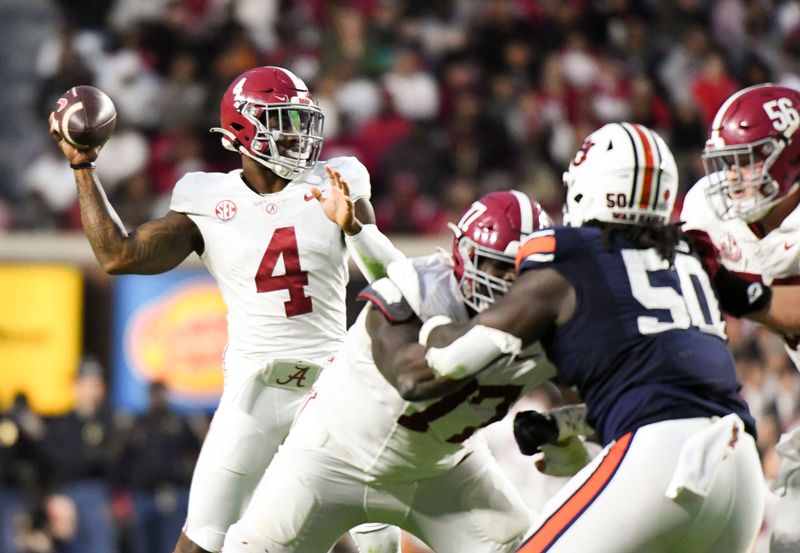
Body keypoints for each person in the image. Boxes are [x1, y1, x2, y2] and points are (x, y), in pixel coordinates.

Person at [49, 65, 405, 553]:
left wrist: (355, 227)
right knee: (202, 539)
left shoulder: (337, 178)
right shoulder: (207, 197)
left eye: (302, 121)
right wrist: (83, 168)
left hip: (334, 385)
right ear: (243, 129)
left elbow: (386, 269)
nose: (298, 135)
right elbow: (119, 254)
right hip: (254, 392)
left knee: (377, 541)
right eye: (283, 121)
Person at [414, 123, 765, 553]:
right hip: (743, 474)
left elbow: (452, 359)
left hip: (662, 464)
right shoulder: (688, 254)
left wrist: (428, 324)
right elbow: (665, 386)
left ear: (586, 188)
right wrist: (567, 423)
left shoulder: (569, 256)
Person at [222, 190, 558, 553]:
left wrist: (567, 425)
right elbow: (411, 379)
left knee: (530, 547)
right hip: (332, 458)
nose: (514, 283)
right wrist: (506, 333)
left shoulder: (551, 317)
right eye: (501, 267)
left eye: (526, 270)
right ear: (468, 258)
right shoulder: (417, 290)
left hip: (443, 470)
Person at [680, 82, 800, 553]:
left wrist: (738, 292)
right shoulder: (711, 209)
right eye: (728, 161)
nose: (733, 176)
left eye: (748, 159)